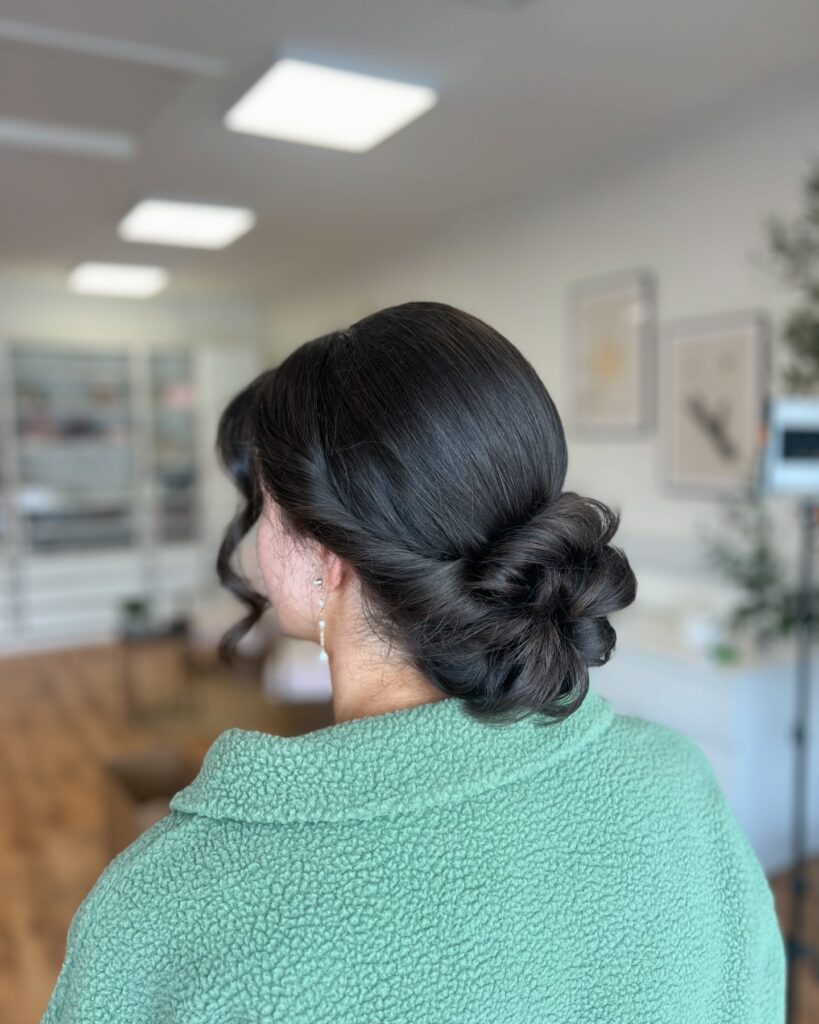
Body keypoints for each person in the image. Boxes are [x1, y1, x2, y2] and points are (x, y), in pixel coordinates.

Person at [41, 300, 785, 1022]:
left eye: (265, 505)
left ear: (322, 557)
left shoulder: (170, 910)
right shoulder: (676, 782)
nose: (255, 537)